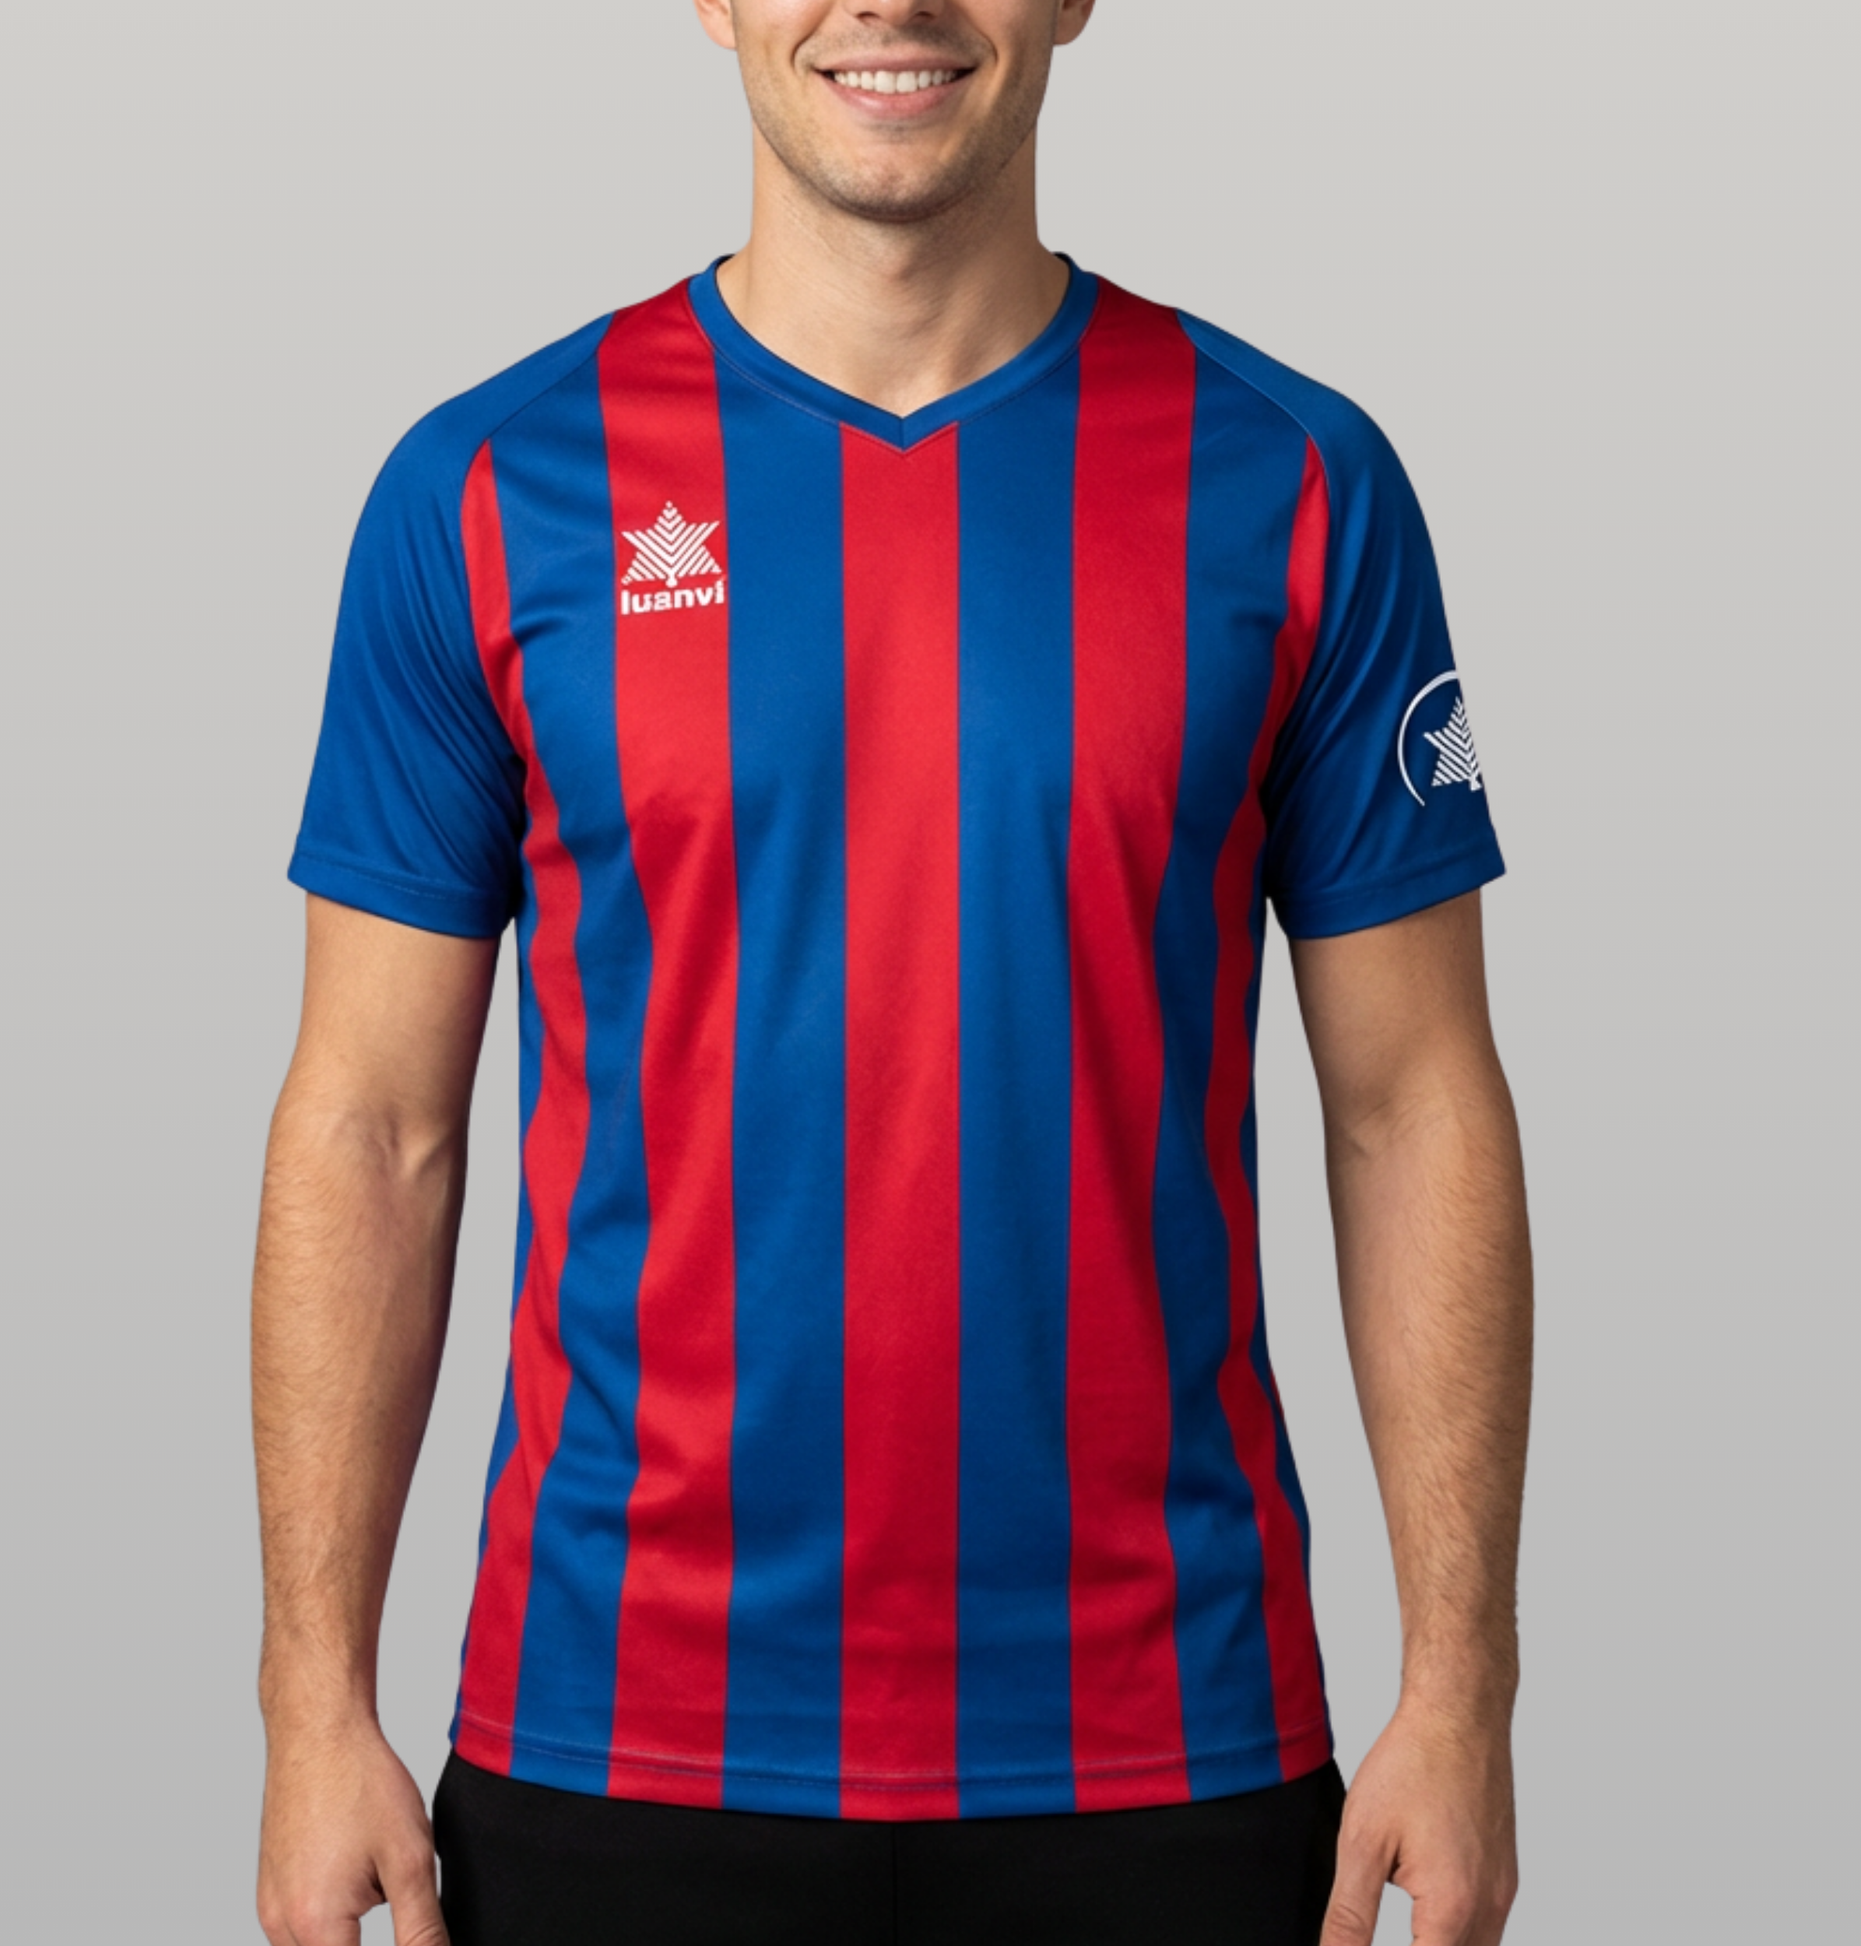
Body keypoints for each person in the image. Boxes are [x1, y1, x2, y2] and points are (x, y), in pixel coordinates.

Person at [251, 3, 1533, 1941]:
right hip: (616, 1741)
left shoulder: (1295, 481)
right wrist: (308, 1698)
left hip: (1165, 1750)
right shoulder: (490, 488)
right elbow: (370, 1125)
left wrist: (1463, 1687)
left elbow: (1411, 1102)